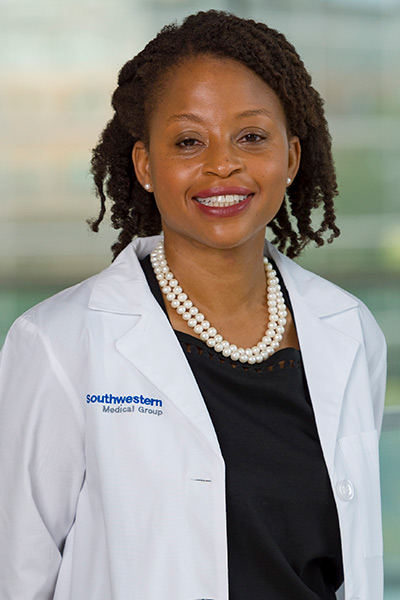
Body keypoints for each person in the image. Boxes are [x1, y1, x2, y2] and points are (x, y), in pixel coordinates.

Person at [0, 10, 386, 600]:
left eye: (252, 136)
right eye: (188, 141)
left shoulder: (349, 330)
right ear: (146, 165)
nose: (222, 164)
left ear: (292, 156)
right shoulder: (56, 344)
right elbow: (17, 571)